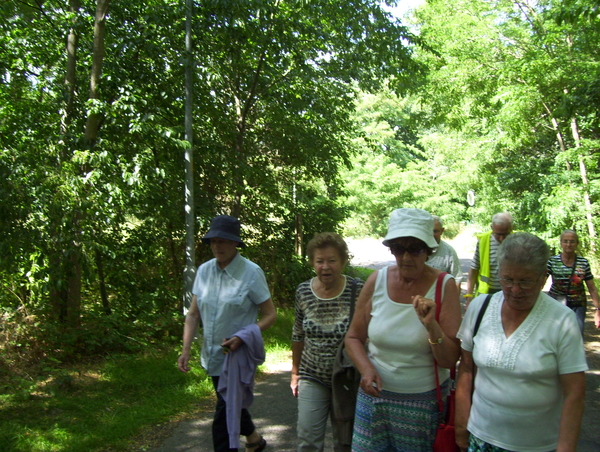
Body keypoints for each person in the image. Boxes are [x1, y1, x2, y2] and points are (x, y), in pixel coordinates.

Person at [455, 232, 587, 452]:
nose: (515, 290)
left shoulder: (561, 320)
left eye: (525, 281)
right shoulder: (480, 308)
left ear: (544, 277)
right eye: (507, 279)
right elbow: (466, 369)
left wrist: (566, 448)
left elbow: (575, 393)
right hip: (480, 438)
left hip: (537, 445)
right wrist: (461, 425)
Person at [344, 208, 462, 451]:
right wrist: (366, 370)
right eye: (398, 248)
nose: (406, 257)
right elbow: (354, 337)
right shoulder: (376, 280)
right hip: (374, 401)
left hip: (423, 406)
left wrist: (431, 326)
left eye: (415, 249)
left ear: (429, 250)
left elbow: (450, 359)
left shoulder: (444, 286)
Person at [177, 215, 276, 452]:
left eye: (223, 241)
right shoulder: (204, 271)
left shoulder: (251, 273)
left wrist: (244, 335)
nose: (217, 246)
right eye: (213, 241)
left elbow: (270, 314)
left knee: (223, 415)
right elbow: (193, 314)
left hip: (237, 358)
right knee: (231, 403)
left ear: (235, 243)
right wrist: (186, 349)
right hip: (213, 356)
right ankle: (254, 439)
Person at [291, 232, 364, 452]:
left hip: (347, 377)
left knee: (345, 443)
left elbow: (368, 333)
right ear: (313, 262)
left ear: (342, 261)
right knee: (308, 440)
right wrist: (295, 373)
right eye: (319, 261)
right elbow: (297, 334)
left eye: (332, 260)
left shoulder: (357, 290)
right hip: (312, 375)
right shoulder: (303, 291)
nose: (325, 267)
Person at [547, 229, 600, 334]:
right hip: (556, 304)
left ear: (577, 243)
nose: (568, 244)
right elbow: (540, 283)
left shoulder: (583, 263)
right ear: (561, 243)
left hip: (578, 305)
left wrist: (598, 309)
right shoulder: (552, 261)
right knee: (555, 335)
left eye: (572, 241)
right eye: (565, 241)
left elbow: (592, 288)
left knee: (576, 336)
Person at [465, 212, 513, 305]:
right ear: (492, 227)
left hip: (510, 293)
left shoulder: (519, 240)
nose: (502, 238)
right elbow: (474, 270)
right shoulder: (483, 241)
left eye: (505, 234)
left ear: (512, 227)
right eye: (498, 234)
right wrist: (469, 296)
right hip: (487, 293)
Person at [427, 215, 463, 291]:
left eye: (435, 231)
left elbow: (456, 279)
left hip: (440, 299)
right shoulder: (416, 250)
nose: (432, 234)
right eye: (429, 231)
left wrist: (454, 301)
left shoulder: (449, 251)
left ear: (442, 231)